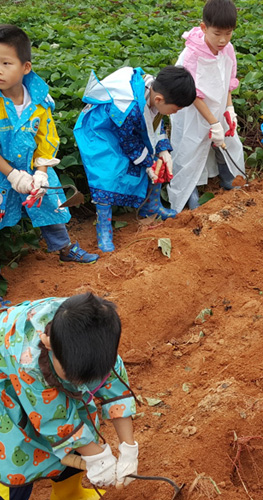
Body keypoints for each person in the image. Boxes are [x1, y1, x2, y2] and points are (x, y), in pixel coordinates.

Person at [0, 293, 138, 500]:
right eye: (73, 377)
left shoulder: (96, 342)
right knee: (17, 450)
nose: (80, 385)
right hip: (10, 384)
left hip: (40, 391)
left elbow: (117, 391)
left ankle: (69, 493)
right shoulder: (29, 362)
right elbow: (56, 423)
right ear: (48, 345)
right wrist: (97, 457)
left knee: (82, 433)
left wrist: (128, 447)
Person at [0, 25, 98, 264]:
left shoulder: (40, 101)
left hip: (32, 166)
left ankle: (65, 248)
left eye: (5, 63)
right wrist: (13, 175)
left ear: (26, 67)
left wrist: (41, 171)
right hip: (3, 171)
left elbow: (47, 137)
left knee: (48, 204)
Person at [74, 65, 196, 252]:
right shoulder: (129, 106)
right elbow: (129, 142)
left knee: (155, 158)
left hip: (122, 127)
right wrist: (149, 164)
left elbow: (155, 123)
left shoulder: (154, 91)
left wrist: (163, 150)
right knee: (106, 175)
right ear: (159, 99)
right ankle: (104, 228)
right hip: (99, 131)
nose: (176, 112)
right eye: (176, 108)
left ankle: (152, 207)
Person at [168, 0, 245, 212]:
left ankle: (231, 182)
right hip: (193, 112)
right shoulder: (191, 55)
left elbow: (227, 81)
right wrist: (213, 122)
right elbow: (192, 94)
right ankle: (187, 198)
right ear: (204, 28)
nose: (222, 40)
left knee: (228, 143)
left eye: (228, 33)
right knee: (189, 151)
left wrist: (229, 110)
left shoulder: (227, 49)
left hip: (218, 108)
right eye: (217, 33)